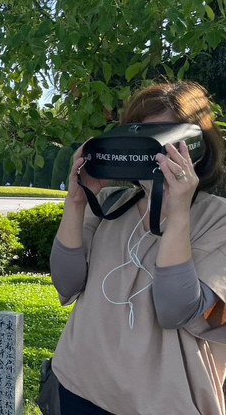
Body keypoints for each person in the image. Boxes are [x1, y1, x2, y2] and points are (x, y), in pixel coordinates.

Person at [50, 81, 226, 414]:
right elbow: (66, 283)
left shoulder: (218, 219)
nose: (151, 152)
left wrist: (177, 215)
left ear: (197, 145)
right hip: (78, 383)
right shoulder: (108, 203)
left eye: (164, 139)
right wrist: (76, 202)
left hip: (163, 402)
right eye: (141, 138)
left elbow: (177, 311)